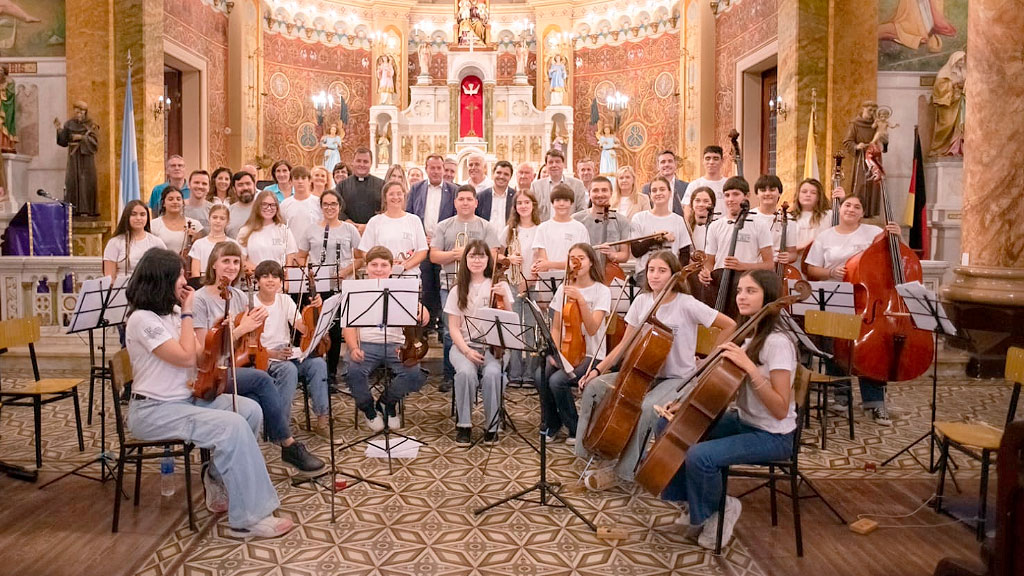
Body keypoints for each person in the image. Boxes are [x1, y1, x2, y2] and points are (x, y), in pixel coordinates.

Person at [123, 249, 294, 539]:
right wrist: (189, 311)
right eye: (179, 274)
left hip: (184, 400)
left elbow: (202, 357)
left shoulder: (173, 314)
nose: (184, 280)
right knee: (233, 425)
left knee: (249, 410)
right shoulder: (142, 320)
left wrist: (223, 335)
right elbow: (186, 358)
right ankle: (247, 518)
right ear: (162, 279)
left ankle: (217, 477)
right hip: (154, 411)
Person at [658, 269, 799, 550]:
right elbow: (723, 388)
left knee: (700, 455)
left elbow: (781, 409)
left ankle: (721, 509)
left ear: (769, 296)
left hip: (774, 435)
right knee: (669, 426)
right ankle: (695, 505)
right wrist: (687, 404)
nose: (742, 297)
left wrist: (751, 369)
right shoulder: (749, 336)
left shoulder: (778, 343)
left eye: (751, 291)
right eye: (739, 291)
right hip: (745, 421)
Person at [575, 251, 735, 484]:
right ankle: (587, 452)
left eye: (662, 271)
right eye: (651, 270)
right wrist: (597, 371)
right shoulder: (642, 301)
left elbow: (729, 325)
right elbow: (623, 344)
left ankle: (624, 472)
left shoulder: (686, 303)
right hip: (642, 372)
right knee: (594, 389)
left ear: (674, 275)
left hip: (677, 378)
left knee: (648, 407)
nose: (655, 276)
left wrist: (708, 359)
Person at [192, 241, 325, 474]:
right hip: (212, 371)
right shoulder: (200, 299)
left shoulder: (240, 297)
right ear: (213, 264)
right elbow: (204, 349)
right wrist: (241, 329)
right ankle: (287, 443)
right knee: (262, 380)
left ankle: (244, 457)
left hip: (236, 364)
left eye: (236, 262)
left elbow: (246, 344)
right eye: (226, 261)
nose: (232, 267)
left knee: (256, 395)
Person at [804, 195, 900, 425]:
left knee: (870, 350)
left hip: (868, 301)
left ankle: (875, 402)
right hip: (836, 296)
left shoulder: (873, 233)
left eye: (857, 206)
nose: (852, 209)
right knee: (835, 347)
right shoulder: (826, 236)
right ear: (840, 208)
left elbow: (893, 257)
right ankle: (841, 395)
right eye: (848, 204)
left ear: (862, 212)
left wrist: (896, 236)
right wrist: (830, 273)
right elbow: (812, 269)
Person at [343, 246, 430, 430]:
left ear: (391, 269)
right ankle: (369, 409)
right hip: (365, 344)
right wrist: (353, 348)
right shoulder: (355, 290)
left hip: (396, 345)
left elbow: (424, 317)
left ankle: (387, 402)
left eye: (384, 265)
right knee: (353, 371)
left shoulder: (402, 289)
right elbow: (348, 327)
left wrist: (422, 312)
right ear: (366, 268)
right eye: (374, 265)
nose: (379, 269)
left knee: (414, 374)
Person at [536, 244, 610, 444]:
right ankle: (552, 423)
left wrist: (581, 300)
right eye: (572, 258)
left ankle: (575, 427)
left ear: (591, 262)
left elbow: (593, 328)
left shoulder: (602, 291)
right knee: (540, 375)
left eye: (581, 258)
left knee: (557, 381)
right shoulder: (563, 288)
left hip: (591, 353)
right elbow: (557, 327)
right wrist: (557, 351)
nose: (576, 262)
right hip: (567, 348)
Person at [431, 185, 501, 389]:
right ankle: (450, 375)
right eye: (461, 199)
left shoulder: (486, 227)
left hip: (480, 285)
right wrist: (456, 254)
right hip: (450, 285)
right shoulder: (443, 226)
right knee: (449, 330)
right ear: (455, 203)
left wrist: (471, 256)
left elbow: (494, 256)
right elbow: (434, 256)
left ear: (476, 203)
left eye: (469, 199)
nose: (465, 202)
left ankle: (480, 369)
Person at [446, 239, 515, 445]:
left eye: (482, 256)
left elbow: (508, 321)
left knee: (493, 374)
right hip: (463, 347)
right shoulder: (457, 289)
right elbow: (453, 328)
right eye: (472, 256)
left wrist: (505, 298)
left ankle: (492, 426)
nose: (477, 260)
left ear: (489, 259)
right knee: (465, 373)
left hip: (494, 348)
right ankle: (464, 425)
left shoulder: (499, 285)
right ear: (465, 259)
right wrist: (467, 351)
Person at [252, 260, 332, 438]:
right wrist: (273, 354)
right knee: (288, 370)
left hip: (287, 353)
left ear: (281, 281)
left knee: (318, 364)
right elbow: (250, 346)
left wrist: (315, 308)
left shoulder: (285, 300)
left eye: (275, 277)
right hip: (264, 356)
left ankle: (322, 419)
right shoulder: (251, 302)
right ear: (257, 280)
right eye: (265, 276)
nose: (270, 280)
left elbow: (302, 327)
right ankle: (280, 427)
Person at [295, 189, 362, 381]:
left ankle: (331, 372)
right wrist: (309, 272)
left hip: (342, 284)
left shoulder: (349, 230)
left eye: (334, 204)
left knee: (334, 328)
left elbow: (360, 259)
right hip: (318, 286)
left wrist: (346, 271)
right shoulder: (311, 229)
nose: (330, 208)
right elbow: (300, 257)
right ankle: (311, 369)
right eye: (326, 204)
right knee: (315, 328)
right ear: (321, 206)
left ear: (340, 207)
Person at [698, 177, 773, 316]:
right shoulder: (715, 226)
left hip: (746, 285)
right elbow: (710, 262)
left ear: (747, 196)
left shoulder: (760, 224)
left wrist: (743, 266)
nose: (730, 199)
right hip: (719, 284)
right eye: (727, 195)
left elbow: (769, 264)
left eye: (736, 194)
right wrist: (706, 272)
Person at [407, 154, 458, 340]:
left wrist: (438, 239)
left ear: (444, 169)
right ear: (426, 169)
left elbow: (456, 219)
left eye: (439, 168)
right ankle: (426, 325)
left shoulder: (454, 190)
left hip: (444, 248)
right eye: (432, 167)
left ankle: (441, 326)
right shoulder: (416, 189)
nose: (436, 171)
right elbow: (410, 216)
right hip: (422, 246)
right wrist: (422, 238)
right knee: (426, 286)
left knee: (442, 285)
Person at [502, 189, 541, 383]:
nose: (523, 206)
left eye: (527, 202)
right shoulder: (509, 229)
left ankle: (530, 374)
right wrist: (509, 258)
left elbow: (541, 258)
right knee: (514, 329)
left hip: (533, 284)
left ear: (533, 205)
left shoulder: (541, 229)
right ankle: (515, 373)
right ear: (515, 207)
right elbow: (496, 255)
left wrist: (529, 281)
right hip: (512, 284)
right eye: (519, 203)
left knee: (531, 329)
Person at [357, 180, 428, 276]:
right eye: (391, 194)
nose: (396, 197)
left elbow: (422, 250)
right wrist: (383, 266)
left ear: (404, 196)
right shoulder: (375, 221)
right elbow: (365, 251)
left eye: (399, 194)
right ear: (385, 198)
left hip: (409, 276)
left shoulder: (414, 220)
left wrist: (405, 266)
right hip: (382, 277)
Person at [630, 176, 692, 284]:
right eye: (654, 190)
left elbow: (684, 254)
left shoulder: (679, 220)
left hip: (671, 272)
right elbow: (636, 251)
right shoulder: (638, 218)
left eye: (662, 189)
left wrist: (678, 275)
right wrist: (656, 238)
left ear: (670, 193)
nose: (658, 193)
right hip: (645, 272)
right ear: (650, 195)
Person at [531, 184, 591, 274]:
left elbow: (580, 262)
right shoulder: (543, 228)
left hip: (574, 280)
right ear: (552, 203)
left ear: (571, 203)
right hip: (548, 281)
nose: (562, 204)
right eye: (557, 200)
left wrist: (550, 264)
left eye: (566, 200)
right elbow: (543, 264)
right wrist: (540, 266)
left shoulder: (580, 228)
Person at [55, 100, 99, 216]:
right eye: (76, 111)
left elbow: (95, 143)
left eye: (80, 112)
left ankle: (87, 210)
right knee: (72, 181)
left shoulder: (91, 124)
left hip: (86, 158)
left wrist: (81, 138)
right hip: (73, 157)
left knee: (85, 182)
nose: (78, 114)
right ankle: (72, 209)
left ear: (85, 112)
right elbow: (63, 141)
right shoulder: (69, 124)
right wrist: (59, 129)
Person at [575, 176, 630, 269]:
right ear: (589, 193)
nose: (600, 194)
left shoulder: (622, 221)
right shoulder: (577, 219)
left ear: (611, 193)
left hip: (611, 273)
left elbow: (625, 255)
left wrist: (613, 255)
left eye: (604, 190)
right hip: (584, 273)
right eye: (595, 190)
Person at [103, 200, 167, 279]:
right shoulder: (115, 242)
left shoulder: (157, 242)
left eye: (142, 215)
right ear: (126, 217)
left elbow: (166, 271)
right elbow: (109, 278)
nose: (138, 218)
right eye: (134, 214)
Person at [239, 190, 298, 272]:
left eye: (273, 205)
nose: (269, 208)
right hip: (254, 280)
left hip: (278, 281)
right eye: (264, 204)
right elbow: (241, 261)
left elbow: (290, 259)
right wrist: (262, 273)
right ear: (257, 206)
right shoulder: (245, 231)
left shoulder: (284, 229)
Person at [843, 101, 884, 218]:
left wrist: (883, 141)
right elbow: (847, 141)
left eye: (874, 111)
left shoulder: (877, 125)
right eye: (869, 110)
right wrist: (856, 146)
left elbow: (883, 141)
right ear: (863, 108)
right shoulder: (855, 124)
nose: (872, 113)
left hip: (874, 157)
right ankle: (857, 211)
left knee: (874, 183)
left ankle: (870, 212)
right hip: (861, 157)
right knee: (861, 184)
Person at [749, 174, 798, 267]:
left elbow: (793, 253)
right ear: (757, 194)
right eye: (763, 190)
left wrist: (788, 257)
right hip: (751, 268)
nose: (767, 193)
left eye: (772, 190)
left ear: (779, 193)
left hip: (775, 269)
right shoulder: (748, 217)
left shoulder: (789, 219)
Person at [791, 178, 842, 261]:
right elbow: (782, 248)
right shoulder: (789, 218)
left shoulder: (829, 215)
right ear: (798, 195)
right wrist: (806, 245)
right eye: (804, 192)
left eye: (813, 193)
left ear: (819, 197)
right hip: (795, 263)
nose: (808, 195)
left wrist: (842, 199)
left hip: (821, 262)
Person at [189, 204, 244, 280]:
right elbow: (195, 272)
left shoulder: (233, 244)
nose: (218, 221)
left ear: (227, 221)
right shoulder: (199, 244)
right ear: (209, 219)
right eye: (215, 217)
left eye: (222, 218)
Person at [336, 148, 384, 234]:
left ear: (371, 164)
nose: (362, 164)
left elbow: (385, 208)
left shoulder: (381, 184)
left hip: (374, 231)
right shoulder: (341, 186)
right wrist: (350, 224)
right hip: (347, 231)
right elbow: (337, 207)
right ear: (353, 162)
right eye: (358, 161)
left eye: (365, 161)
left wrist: (368, 226)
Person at [531, 149, 588, 220]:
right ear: (546, 165)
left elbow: (582, 211)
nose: (554, 165)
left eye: (557, 162)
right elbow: (532, 211)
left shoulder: (577, 185)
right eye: (551, 162)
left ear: (563, 164)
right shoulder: (536, 186)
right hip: (544, 228)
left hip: (570, 227)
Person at [150, 186, 201, 256]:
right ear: (163, 203)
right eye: (170, 199)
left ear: (183, 203)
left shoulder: (195, 224)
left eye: (178, 199)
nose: (175, 202)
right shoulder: (153, 225)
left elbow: (200, 251)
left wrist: (195, 239)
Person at [279, 166, 322, 250]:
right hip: (293, 252)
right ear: (290, 182)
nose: (300, 181)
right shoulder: (284, 205)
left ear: (310, 181)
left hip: (315, 251)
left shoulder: (318, 203)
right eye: (296, 178)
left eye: (303, 178)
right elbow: (281, 230)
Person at [682, 145, 728, 218]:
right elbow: (687, 211)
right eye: (708, 158)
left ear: (722, 161)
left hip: (724, 227)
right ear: (703, 161)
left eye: (715, 158)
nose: (711, 162)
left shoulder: (728, 184)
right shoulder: (694, 185)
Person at [642, 150, 688, 217]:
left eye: (670, 161)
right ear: (658, 166)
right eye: (663, 162)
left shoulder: (686, 187)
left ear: (675, 165)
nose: (666, 164)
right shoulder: (647, 188)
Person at [476, 160, 515, 235]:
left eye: (506, 174)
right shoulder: (481, 197)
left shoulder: (515, 197)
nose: (501, 176)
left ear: (510, 177)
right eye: (498, 173)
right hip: (485, 243)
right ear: (493, 174)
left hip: (508, 243)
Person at [686, 186, 717, 254]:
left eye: (706, 201)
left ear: (712, 204)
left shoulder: (717, 227)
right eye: (697, 201)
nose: (701, 204)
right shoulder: (685, 227)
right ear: (692, 203)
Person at [227, 171, 257, 239]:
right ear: (234, 189)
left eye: (248, 184)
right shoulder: (228, 212)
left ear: (254, 186)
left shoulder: (265, 210)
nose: (245, 188)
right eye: (240, 185)